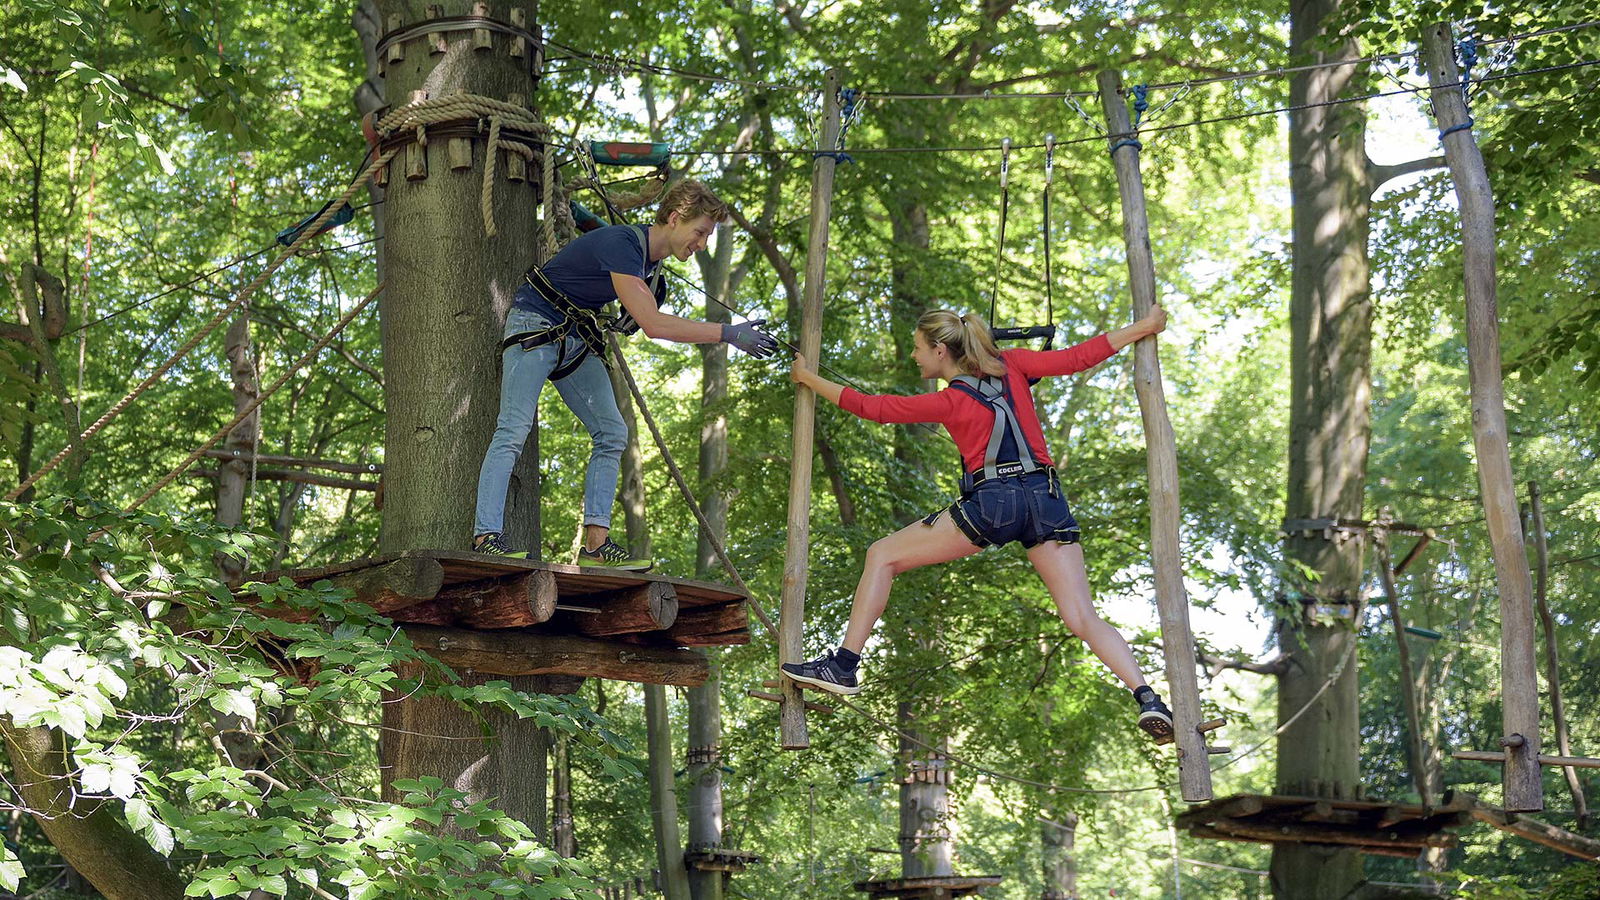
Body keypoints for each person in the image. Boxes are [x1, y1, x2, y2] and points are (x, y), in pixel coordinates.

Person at [781, 306, 1176, 740]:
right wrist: (1145, 326)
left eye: (917, 349)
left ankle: (843, 666)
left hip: (996, 504)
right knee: (1082, 616)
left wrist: (807, 378)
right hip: (1047, 501)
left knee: (881, 555)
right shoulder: (1017, 364)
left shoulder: (951, 399)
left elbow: (874, 408)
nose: (915, 358)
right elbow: (1079, 357)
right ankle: (1147, 697)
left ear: (939, 350)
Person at [473, 180, 777, 569]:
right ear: (674, 217)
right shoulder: (624, 244)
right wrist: (729, 333)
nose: (702, 243)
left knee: (613, 432)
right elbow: (653, 324)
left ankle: (596, 546)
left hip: (574, 336)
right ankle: (486, 536)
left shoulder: (649, 265)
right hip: (535, 324)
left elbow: (640, 311)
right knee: (513, 428)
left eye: (708, 237)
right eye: (700, 232)